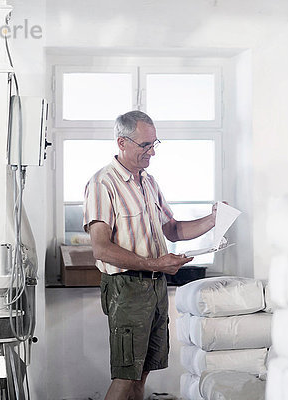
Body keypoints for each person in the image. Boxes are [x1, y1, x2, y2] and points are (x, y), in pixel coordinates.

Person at [83, 110, 218, 400]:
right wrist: (156, 263)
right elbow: (101, 248)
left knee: (142, 372)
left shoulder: (149, 182)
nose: (152, 152)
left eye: (155, 144)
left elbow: (173, 229)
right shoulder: (102, 184)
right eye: (145, 145)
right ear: (122, 142)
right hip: (127, 288)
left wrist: (213, 219)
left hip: (155, 286)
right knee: (125, 376)